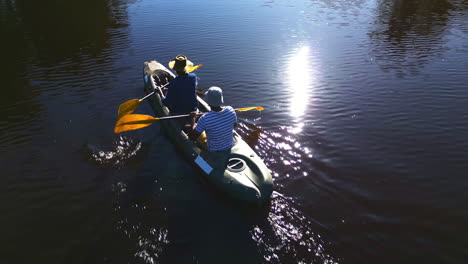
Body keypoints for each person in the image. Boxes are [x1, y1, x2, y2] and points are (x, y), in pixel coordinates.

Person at [188, 86, 237, 152]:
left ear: (208, 102)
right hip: (230, 144)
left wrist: (193, 119)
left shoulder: (205, 118)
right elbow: (234, 125)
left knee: (189, 127)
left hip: (213, 149)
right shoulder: (231, 110)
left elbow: (193, 136)